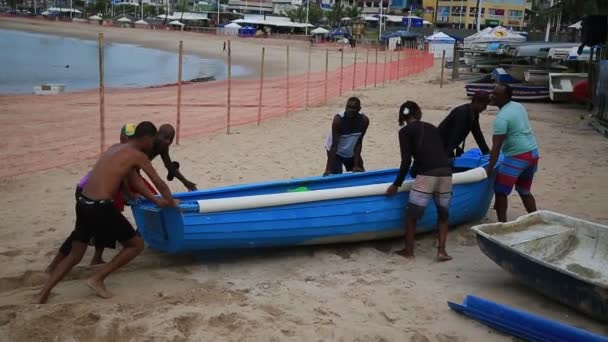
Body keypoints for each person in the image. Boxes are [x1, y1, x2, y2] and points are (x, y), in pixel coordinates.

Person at [34, 121, 179, 304]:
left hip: (83, 202)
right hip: (100, 206)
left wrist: (158, 201)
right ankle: (97, 279)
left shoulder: (115, 148)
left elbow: (134, 181)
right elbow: (158, 181)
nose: (153, 146)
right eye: (152, 141)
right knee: (135, 245)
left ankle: (42, 294)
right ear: (146, 139)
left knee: (75, 254)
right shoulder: (137, 155)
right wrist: (170, 200)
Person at [44, 124, 153, 274]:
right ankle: (55, 264)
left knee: (102, 224)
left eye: (131, 136)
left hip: (103, 194)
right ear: (122, 137)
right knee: (81, 233)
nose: (127, 139)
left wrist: (131, 195)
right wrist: (133, 196)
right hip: (87, 190)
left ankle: (96, 258)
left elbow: (126, 181)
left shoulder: (127, 153)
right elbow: (125, 181)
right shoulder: (120, 152)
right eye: (125, 136)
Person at [386, 101, 453, 261]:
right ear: (418, 113)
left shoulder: (405, 132)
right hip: (446, 172)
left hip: (427, 174)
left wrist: (396, 184)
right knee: (443, 214)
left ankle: (409, 251)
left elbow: (406, 161)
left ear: (403, 116)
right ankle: (442, 251)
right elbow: (436, 150)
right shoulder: (431, 127)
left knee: (412, 216)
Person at [486, 84, 539, 222]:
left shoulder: (502, 118)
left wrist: (489, 168)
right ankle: (536, 220)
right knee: (524, 190)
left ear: (505, 97)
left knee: (500, 190)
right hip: (532, 153)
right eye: (493, 92)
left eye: (496, 94)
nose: (492, 96)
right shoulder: (518, 106)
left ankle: (502, 224)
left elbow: (496, 146)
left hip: (518, 156)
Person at [324, 97, 370, 176]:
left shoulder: (364, 120)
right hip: (336, 151)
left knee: (359, 174)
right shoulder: (338, 120)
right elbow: (334, 145)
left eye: (353, 108)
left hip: (350, 151)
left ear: (359, 109)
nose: (350, 110)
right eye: (348, 107)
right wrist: (328, 169)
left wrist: (356, 165)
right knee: (336, 176)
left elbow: (359, 142)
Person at [438, 91, 491, 157]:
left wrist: (485, 151)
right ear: (476, 102)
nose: (485, 108)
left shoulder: (474, 113)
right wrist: (448, 154)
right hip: (440, 144)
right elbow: (455, 134)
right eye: (484, 105)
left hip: (447, 145)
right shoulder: (462, 112)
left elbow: (477, 133)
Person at [147, 124, 197, 191]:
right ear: (157, 135)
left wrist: (185, 182)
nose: (168, 142)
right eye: (165, 137)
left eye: (171, 139)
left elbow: (169, 166)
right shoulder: (148, 144)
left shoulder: (163, 147)